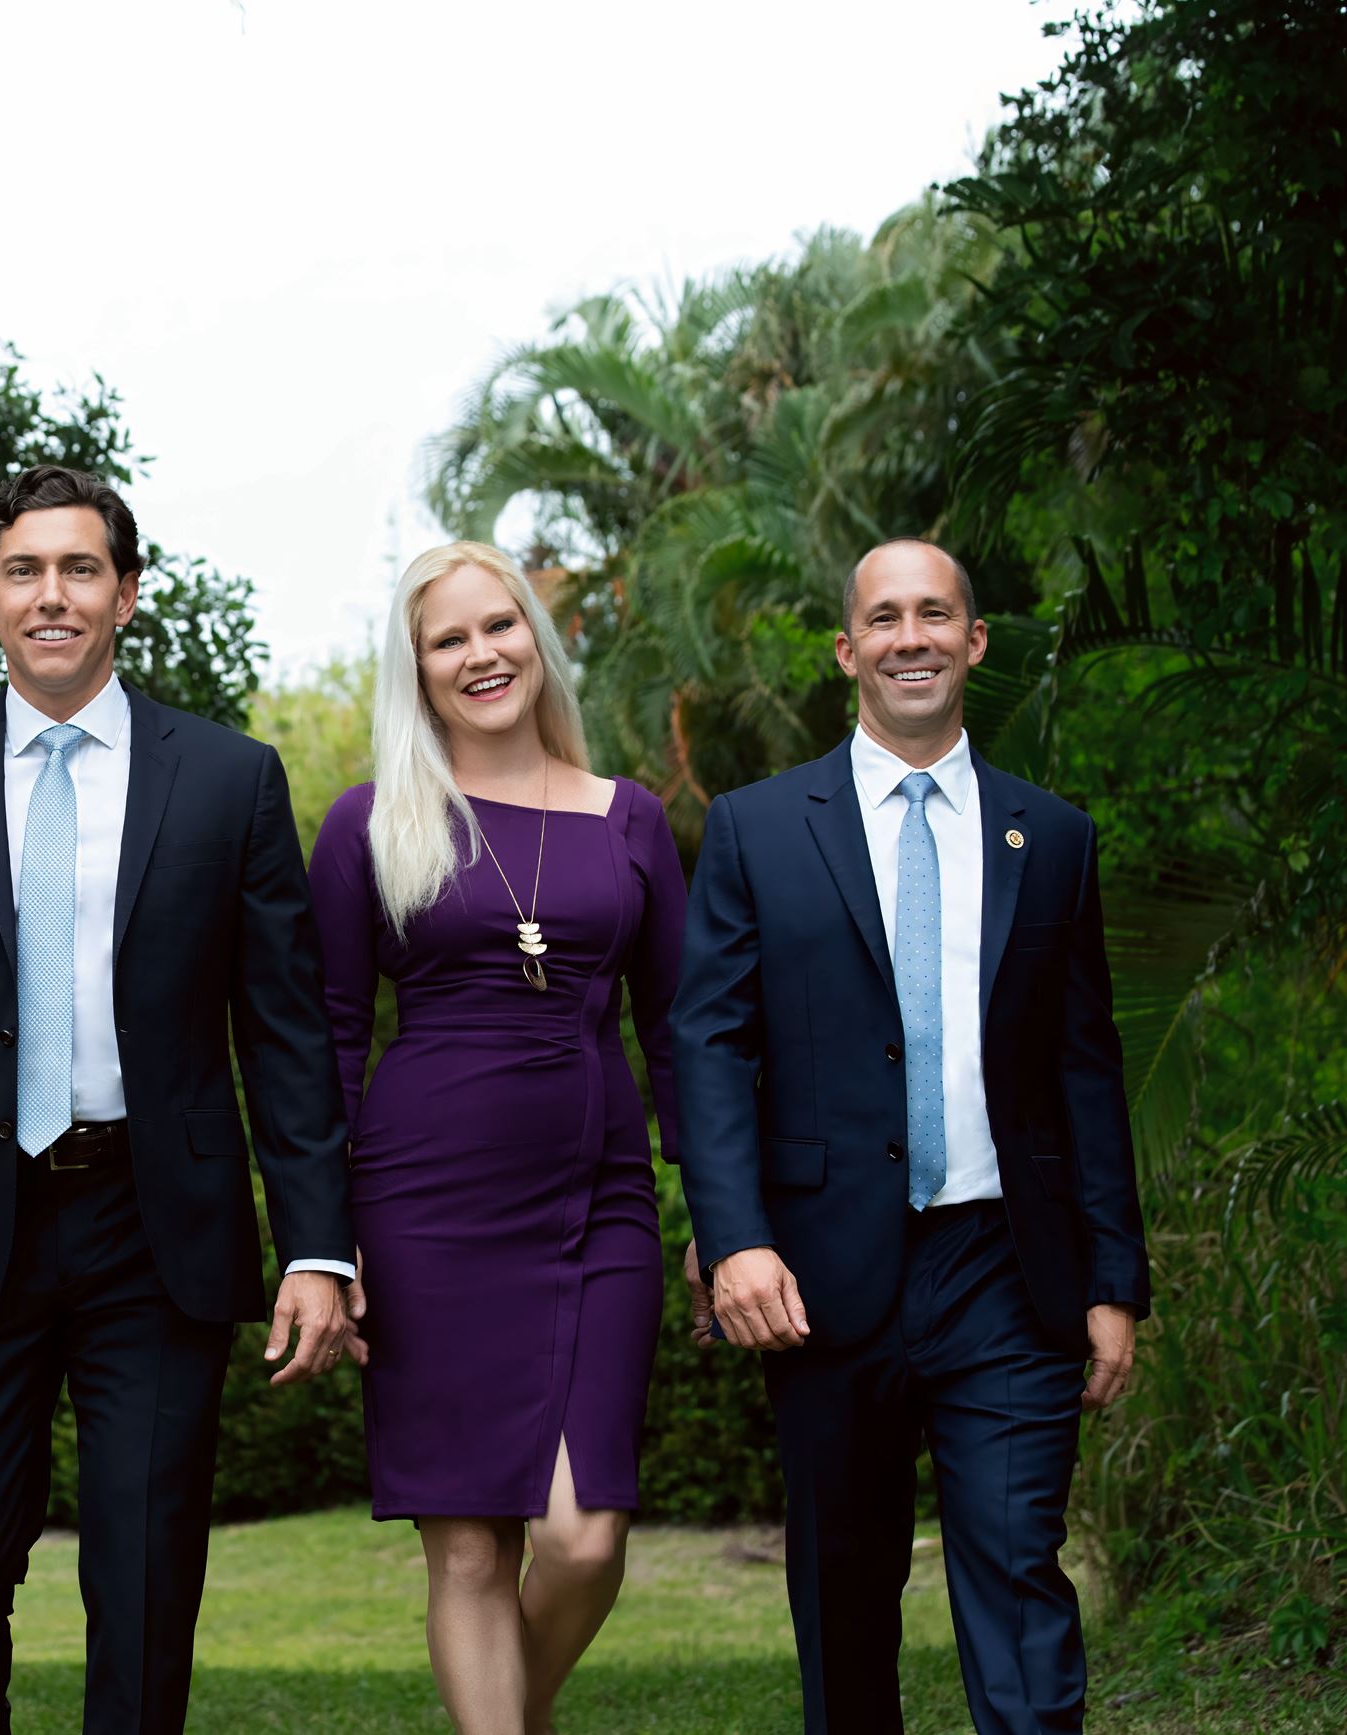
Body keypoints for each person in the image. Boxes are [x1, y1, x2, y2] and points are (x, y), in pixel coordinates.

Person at [0, 465, 357, 1733]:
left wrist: (317, 1242)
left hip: (154, 1232)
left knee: (148, 1575)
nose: (52, 595)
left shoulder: (228, 780)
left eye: (80, 568)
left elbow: (280, 1032)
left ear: (126, 593)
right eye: (24, 571)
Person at [674, 538, 1151, 1734]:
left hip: (1008, 1270)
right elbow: (709, 1049)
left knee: (1015, 1575)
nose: (909, 637)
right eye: (882, 618)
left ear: (972, 640)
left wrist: (1110, 1279)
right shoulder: (754, 829)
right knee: (844, 1605)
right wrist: (731, 1238)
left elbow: (1084, 1072)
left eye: (933, 614)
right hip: (822, 1281)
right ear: (847, 651)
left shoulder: (1052, 837)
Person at [307, 542, 682, 1733]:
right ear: (414, 672)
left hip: (599, 1206)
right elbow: (326, 1044)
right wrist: (323, 1240)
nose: (480, 655)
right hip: (422, 1215)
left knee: (581, 1536)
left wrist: (722, 1217)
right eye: (447, 639)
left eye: (497, 626)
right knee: (466, 1548)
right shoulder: (368, 825)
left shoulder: (629, 820)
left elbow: (679, 1036)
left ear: (536, 638)